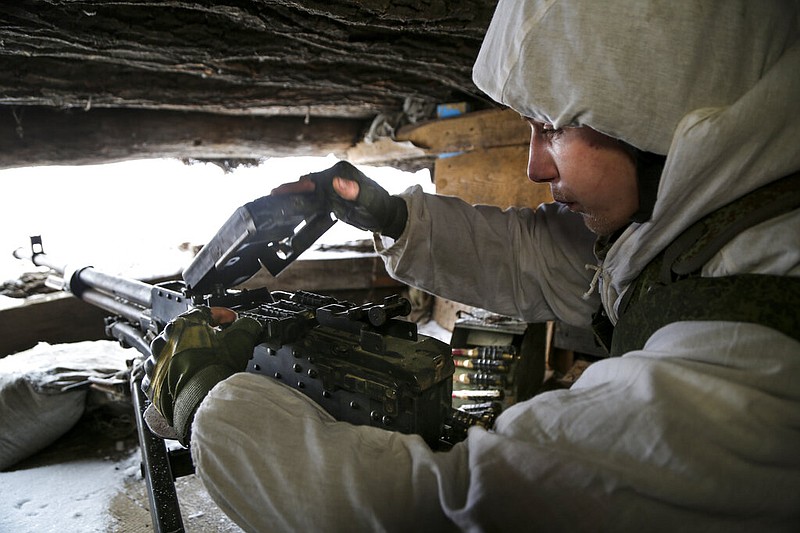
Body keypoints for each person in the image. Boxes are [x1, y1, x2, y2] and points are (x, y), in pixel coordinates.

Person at [143, 0, 800, 531]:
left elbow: (442, 506)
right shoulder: (731, 227)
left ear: (656, 111)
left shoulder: (747, 374)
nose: (534, 166)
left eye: (554, 127)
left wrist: (210, 404)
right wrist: (391, 216)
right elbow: (547, 258)